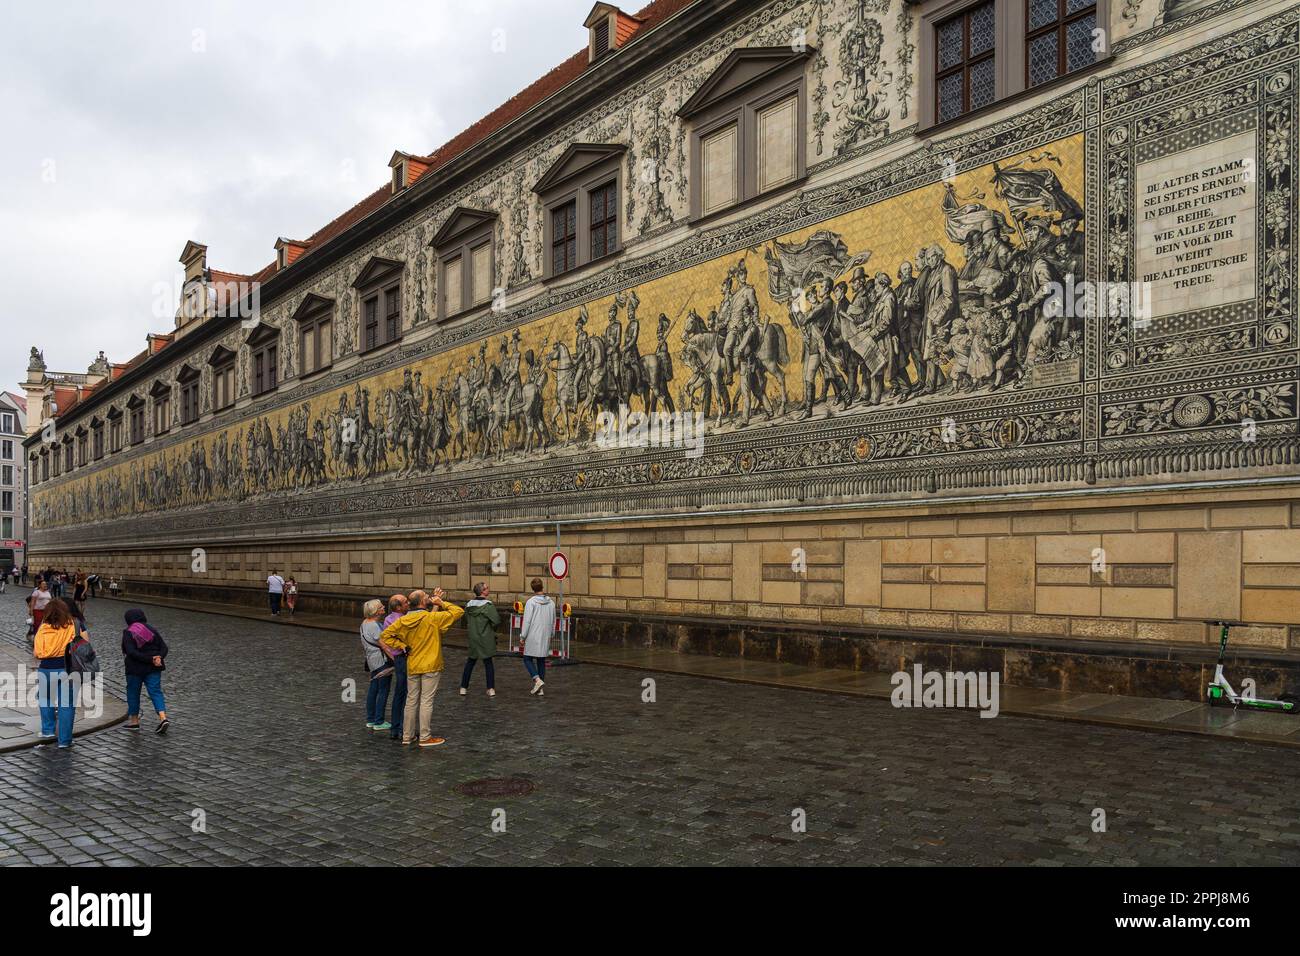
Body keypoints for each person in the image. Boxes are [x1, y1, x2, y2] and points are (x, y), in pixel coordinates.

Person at [380, 587, 463, 748]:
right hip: (431, 664)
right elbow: (458, 611)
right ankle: (425, 736)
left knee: (411, 701)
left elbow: (385, 636)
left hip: (413, 663)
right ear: (424, 602)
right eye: (426, 596)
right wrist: (440, 602)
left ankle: (407, 736)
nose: (429, 596)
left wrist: (402, 645)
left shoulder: (403, 621)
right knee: (426, 701)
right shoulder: (432, 618)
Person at [32, 598, 78, 748]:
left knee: (45, 700)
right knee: (66, 705)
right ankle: (64, 741)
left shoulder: (43, 627)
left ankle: (48, 731)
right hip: (66, 668)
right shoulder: (72, 625)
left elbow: (37, 653)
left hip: (46, 668)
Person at [121, 608, 170, 734]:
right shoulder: (152, 630)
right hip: (154, 667)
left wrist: (150, 659)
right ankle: (163, 717)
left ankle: (134, 721)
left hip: (135, 668)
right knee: (156, 692)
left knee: (133, 693)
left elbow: (131, 652)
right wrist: (158, 657)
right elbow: (164, 647)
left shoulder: (128, 632)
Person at [461, 582, 500, 697]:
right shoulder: (488, 606)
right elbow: (496, 621)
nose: (488, 589)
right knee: (488, 663)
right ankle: (490, 688)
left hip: (473, 637)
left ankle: (463, 687)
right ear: (482, 591)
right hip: (486, 637)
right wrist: (492, 629)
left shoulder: (469, 605)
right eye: (487, 588)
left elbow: (467, 619)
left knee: (470, 662)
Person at [519, 578, 557, 697]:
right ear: (542, 587)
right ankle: (540, 689)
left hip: (533, 634)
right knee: (541, 660)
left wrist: (522, 635)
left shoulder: (531, 602)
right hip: (545, 634)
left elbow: (527, 621)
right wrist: (552, 634)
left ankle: (537, 680)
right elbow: (554, 620)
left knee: (527, 658)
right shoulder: (551, 603)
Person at [359, 599, 392, 732]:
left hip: (372, 660)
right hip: (381, 661)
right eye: (381, 606)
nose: (383, 607)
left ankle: (371, 719)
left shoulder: (364, 623)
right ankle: (379, 721)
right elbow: (384, 646)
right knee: (383, 690)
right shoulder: (374, 625)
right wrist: (396, 659)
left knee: (374, 689)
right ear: (376, 611)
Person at [382, 593, 410, 741]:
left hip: (398, 658)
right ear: (399, 607)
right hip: (404, 657)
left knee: (400, 693)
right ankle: (402, 727)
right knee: (406, 693)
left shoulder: (387, 619)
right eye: (405, 602)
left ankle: (395, 728)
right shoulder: (403, 620)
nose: (408, 604)